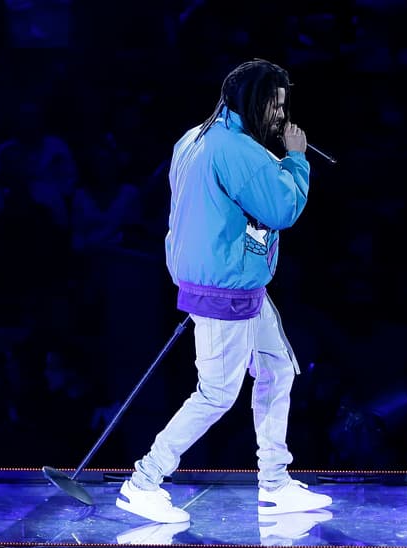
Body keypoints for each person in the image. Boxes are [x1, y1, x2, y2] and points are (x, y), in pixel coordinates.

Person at [117, 58, 331, 524]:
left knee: (277, 369)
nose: (281, 115)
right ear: (254, 102)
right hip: (223, 291)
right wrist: (296, 157)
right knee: (216, 394)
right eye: (275, 106)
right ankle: (143, 481)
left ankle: (274, 481)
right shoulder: (236, 150)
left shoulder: (194, 138)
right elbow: (282, 209)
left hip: (238, 283)